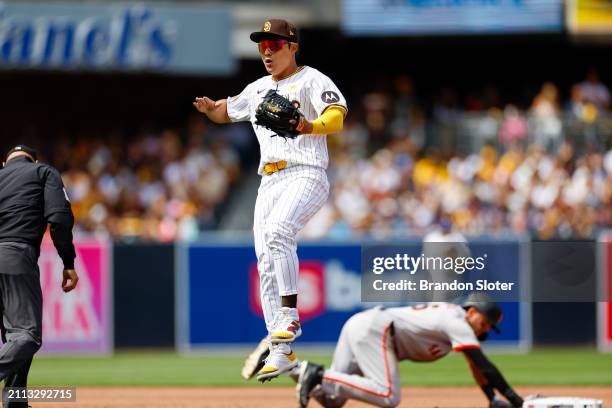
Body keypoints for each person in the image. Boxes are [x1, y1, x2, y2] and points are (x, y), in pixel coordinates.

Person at [193, 19, 347, 381]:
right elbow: (224, 112)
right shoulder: (258, 88)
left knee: (279, 232)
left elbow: (337, 117)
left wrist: (308, 126)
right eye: (262, 44)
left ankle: (290, 319)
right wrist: (210, 108)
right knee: (264, 261)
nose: (266, 50)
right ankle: (281, 350)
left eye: (275, 44)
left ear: (292, 46)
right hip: (269, 180)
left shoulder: (312, 80)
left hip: (306, 170)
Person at [296, 294, 524, 408]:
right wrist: (516, 401)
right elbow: (484, 364)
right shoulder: (457, 321)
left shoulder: (455, 320)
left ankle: (291, 365)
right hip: (376, 331)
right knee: (388, 395)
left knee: (332, 400)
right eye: (485, 323)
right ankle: (318, 373)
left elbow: (475, 367)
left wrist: (492, 398)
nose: (484, 330)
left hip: (364, 325)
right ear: (472, 311)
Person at [0, 145, 79, 407]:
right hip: (15, 255)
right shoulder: (42, 172)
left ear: (4, 163)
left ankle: (15, 401)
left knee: (14, 337)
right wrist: (68, 261)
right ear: (34, 160)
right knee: (26, 335)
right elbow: (59, 218)